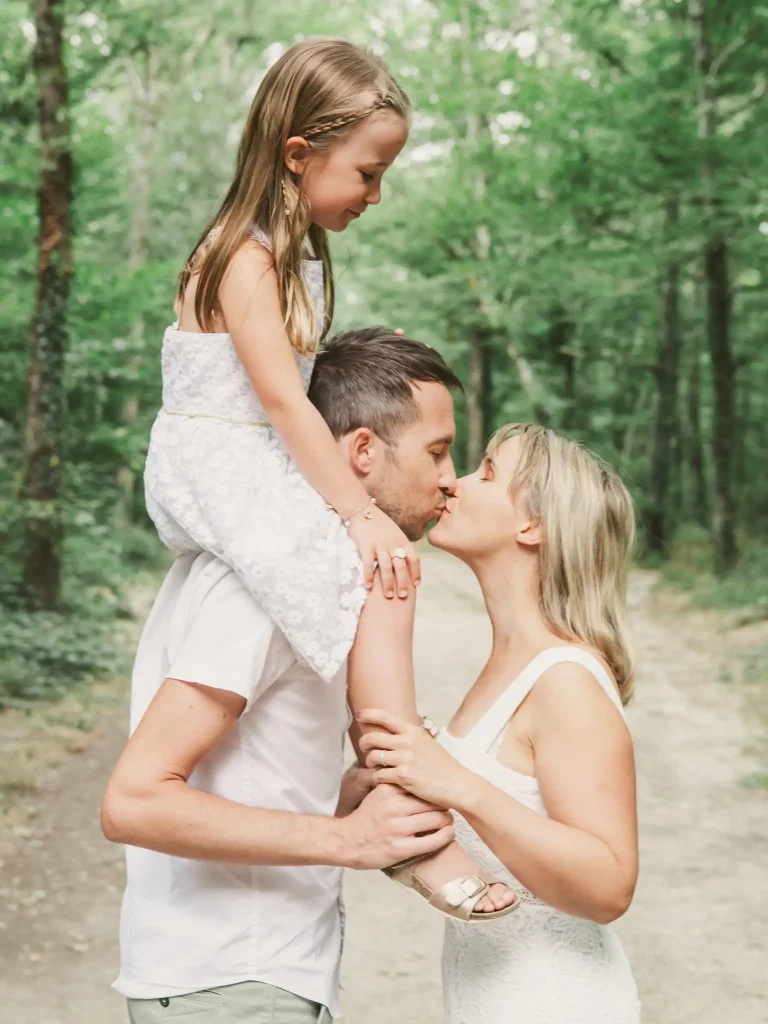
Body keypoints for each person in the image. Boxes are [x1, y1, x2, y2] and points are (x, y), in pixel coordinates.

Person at [143, 37, 515, 916]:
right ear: (299, 153)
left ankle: (391, 775)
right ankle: (403, 793)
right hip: (224, 464)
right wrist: (358, 516)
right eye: (369, 173)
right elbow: (279, 401)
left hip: (265, 453)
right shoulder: (244, 255)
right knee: (373, 566)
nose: (376, 196)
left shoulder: (294, 252)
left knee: (383, 578)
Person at [102, 328, 464, 1023]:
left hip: (245, 976)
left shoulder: (293, 568)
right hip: (232, 982)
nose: (450, 478)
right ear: (362, 451)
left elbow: (236, 774)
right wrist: (346, 840)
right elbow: (134, 801)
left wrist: (333, 800)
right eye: (438, 452)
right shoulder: (266, 586)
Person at [358, 423, 642, 1023]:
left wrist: (458, 784)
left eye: (485, 472)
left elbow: (609, 885)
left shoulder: (566, 678)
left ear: (532, 526)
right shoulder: (508, 665)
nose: (453, 483)